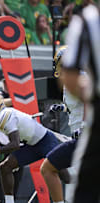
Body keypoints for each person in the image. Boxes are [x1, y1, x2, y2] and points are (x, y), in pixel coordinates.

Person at [0, 92, 61, 203]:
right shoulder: (0, 118)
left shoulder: (4, 116)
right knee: (5, 167)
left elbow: (15, 144)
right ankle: (9, 201)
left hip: (45, 140)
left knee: (65, 175)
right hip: (31, 145)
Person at [60, 4, 100, 203]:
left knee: (82, 187)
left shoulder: (88, 20)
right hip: (81, 131)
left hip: (87, 130)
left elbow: (70, 78)